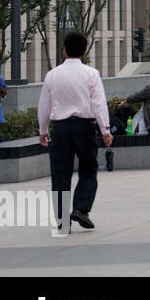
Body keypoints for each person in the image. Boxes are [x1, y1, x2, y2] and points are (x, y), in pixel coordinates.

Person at [37, 32, 112, 233]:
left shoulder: (52, 75)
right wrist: (105, 129)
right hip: (84, 126)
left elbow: (44, 105)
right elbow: (98, 103)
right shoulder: (91, 74)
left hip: (60, 129)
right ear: (84, 50)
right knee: (89, 169)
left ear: (64, 50)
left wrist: (43, 130)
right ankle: (81, 208)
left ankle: (62, 221)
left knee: (60, 173)